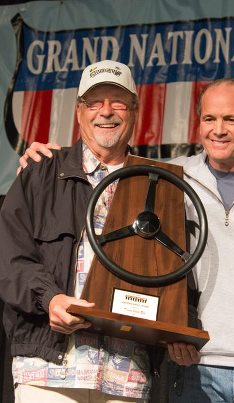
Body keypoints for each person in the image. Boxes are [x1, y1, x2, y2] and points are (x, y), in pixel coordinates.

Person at [20, 77, 234, 402]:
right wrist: (47, 159)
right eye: (209, 119)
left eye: (231, 119)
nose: (219, 130)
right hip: (196, 365)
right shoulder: (167, 178)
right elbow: (140, 252)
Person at [0, 60, 157, 402]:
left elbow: (172, 273)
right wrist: (50, 298)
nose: (106, 112)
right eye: (95, 102)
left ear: (134, 109)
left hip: (125, 374)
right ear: (79, 111)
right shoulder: (40, 174)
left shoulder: (156, 184)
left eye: (118, 102)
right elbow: (9, 258)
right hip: (46, 370)